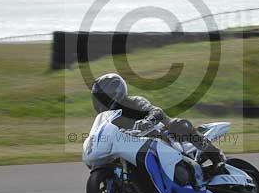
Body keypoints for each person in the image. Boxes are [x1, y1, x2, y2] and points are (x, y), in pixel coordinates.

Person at [90, 73, 225, 176]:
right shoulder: (107, 119)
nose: (100, 102)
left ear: (115, 93)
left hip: (167, 137)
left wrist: (148, 120)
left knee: (179, 124)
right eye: (97, 98)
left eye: (102, 98)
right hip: (137, 150)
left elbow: (155, 111)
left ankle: (216, 156)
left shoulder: (134, 102)